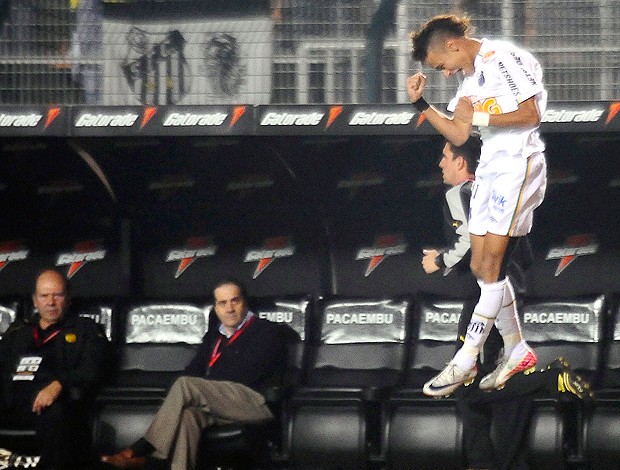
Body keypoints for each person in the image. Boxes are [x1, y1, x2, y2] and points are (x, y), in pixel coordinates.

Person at [423, 136, 594, 469]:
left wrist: (440, 261)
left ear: (461, 163)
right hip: (510, 296)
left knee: (467, 386)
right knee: (484, 387)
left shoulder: (459, 193)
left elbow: (467, 243)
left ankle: (550, 379)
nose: (441, 164)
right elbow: (525, 254)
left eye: (445, 157)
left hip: (483, 298)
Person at [407, 13, 548, 397]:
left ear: (452, 44)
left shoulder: (502, 56)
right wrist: (421, 104)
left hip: (519, 166)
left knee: (492, 266)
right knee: (478, 266)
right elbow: (458, 131)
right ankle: (516, 347)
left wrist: (479, 113)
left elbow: (532, 114)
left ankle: (466, 358)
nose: (446, 74)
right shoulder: (469, 81)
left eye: (441, 66)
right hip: (490, 168)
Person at [101, 279, 288, 470]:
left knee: (186, 385)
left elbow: (247, 373)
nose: (229, 308)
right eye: (223, 303)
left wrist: (201, 388)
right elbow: (194, 370)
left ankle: (144, 452)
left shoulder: (265, 330)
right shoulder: (214, 337)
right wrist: (194, 392)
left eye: (235, 301)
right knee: (188, 416)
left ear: (245, 303)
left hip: (254, 403)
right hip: (219, 404)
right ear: (215, 308)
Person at [0, 268, 110, 469]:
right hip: (12, 402)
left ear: (67, 298)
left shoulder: (85, 329)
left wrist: (59, 385)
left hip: (55, 405)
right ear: (35, 300)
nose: (50, 302)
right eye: (44, 296)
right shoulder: (18, 331)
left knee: (59, 415)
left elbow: (93, 369)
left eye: (57, 295)